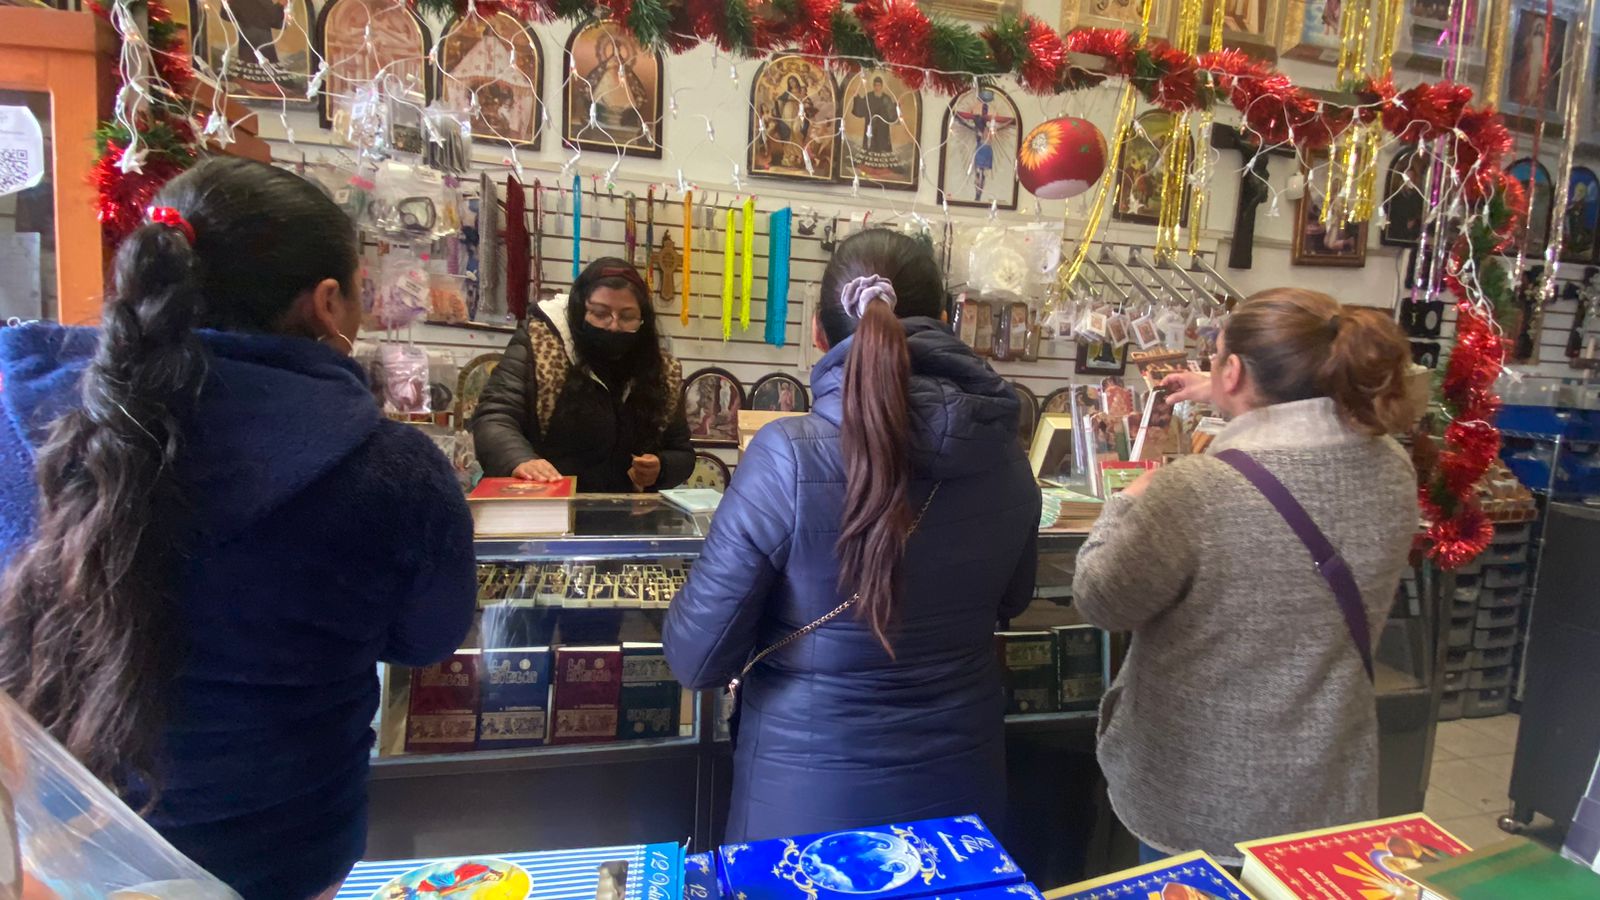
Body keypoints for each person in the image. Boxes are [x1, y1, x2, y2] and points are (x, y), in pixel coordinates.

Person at [0, 157, 477, 899]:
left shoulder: (25, 426)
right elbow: (429, 637)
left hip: (63, 856)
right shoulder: (393, 469)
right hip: (280, 855)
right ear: (327, 303)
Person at [661, 230, 1040, 841]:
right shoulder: (1004, 454)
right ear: (945, 321)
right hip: (963, 800)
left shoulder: (785, 455)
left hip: (805, 813)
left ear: (817, 332)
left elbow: (696, 657)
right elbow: (1011, 601)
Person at [1072, 288, 1417, 867]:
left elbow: (1101, 598)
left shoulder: (1198, 489)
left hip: (1199, 797)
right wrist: (1226, 392)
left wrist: (1128, 504)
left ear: (1233, 371)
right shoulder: (1392, 469)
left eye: (1217, 362)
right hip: (1325, 791)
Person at [471, 258, 693, 493]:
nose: (613, 326)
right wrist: (519, 460)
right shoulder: (539, 344)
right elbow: (495, 416)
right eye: (600, 313)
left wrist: (661, 468)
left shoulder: (660, 369)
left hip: (625, 516)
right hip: (544, 509)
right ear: (580, 308)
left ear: (643, 319)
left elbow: (681, 451)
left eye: (627, 317)